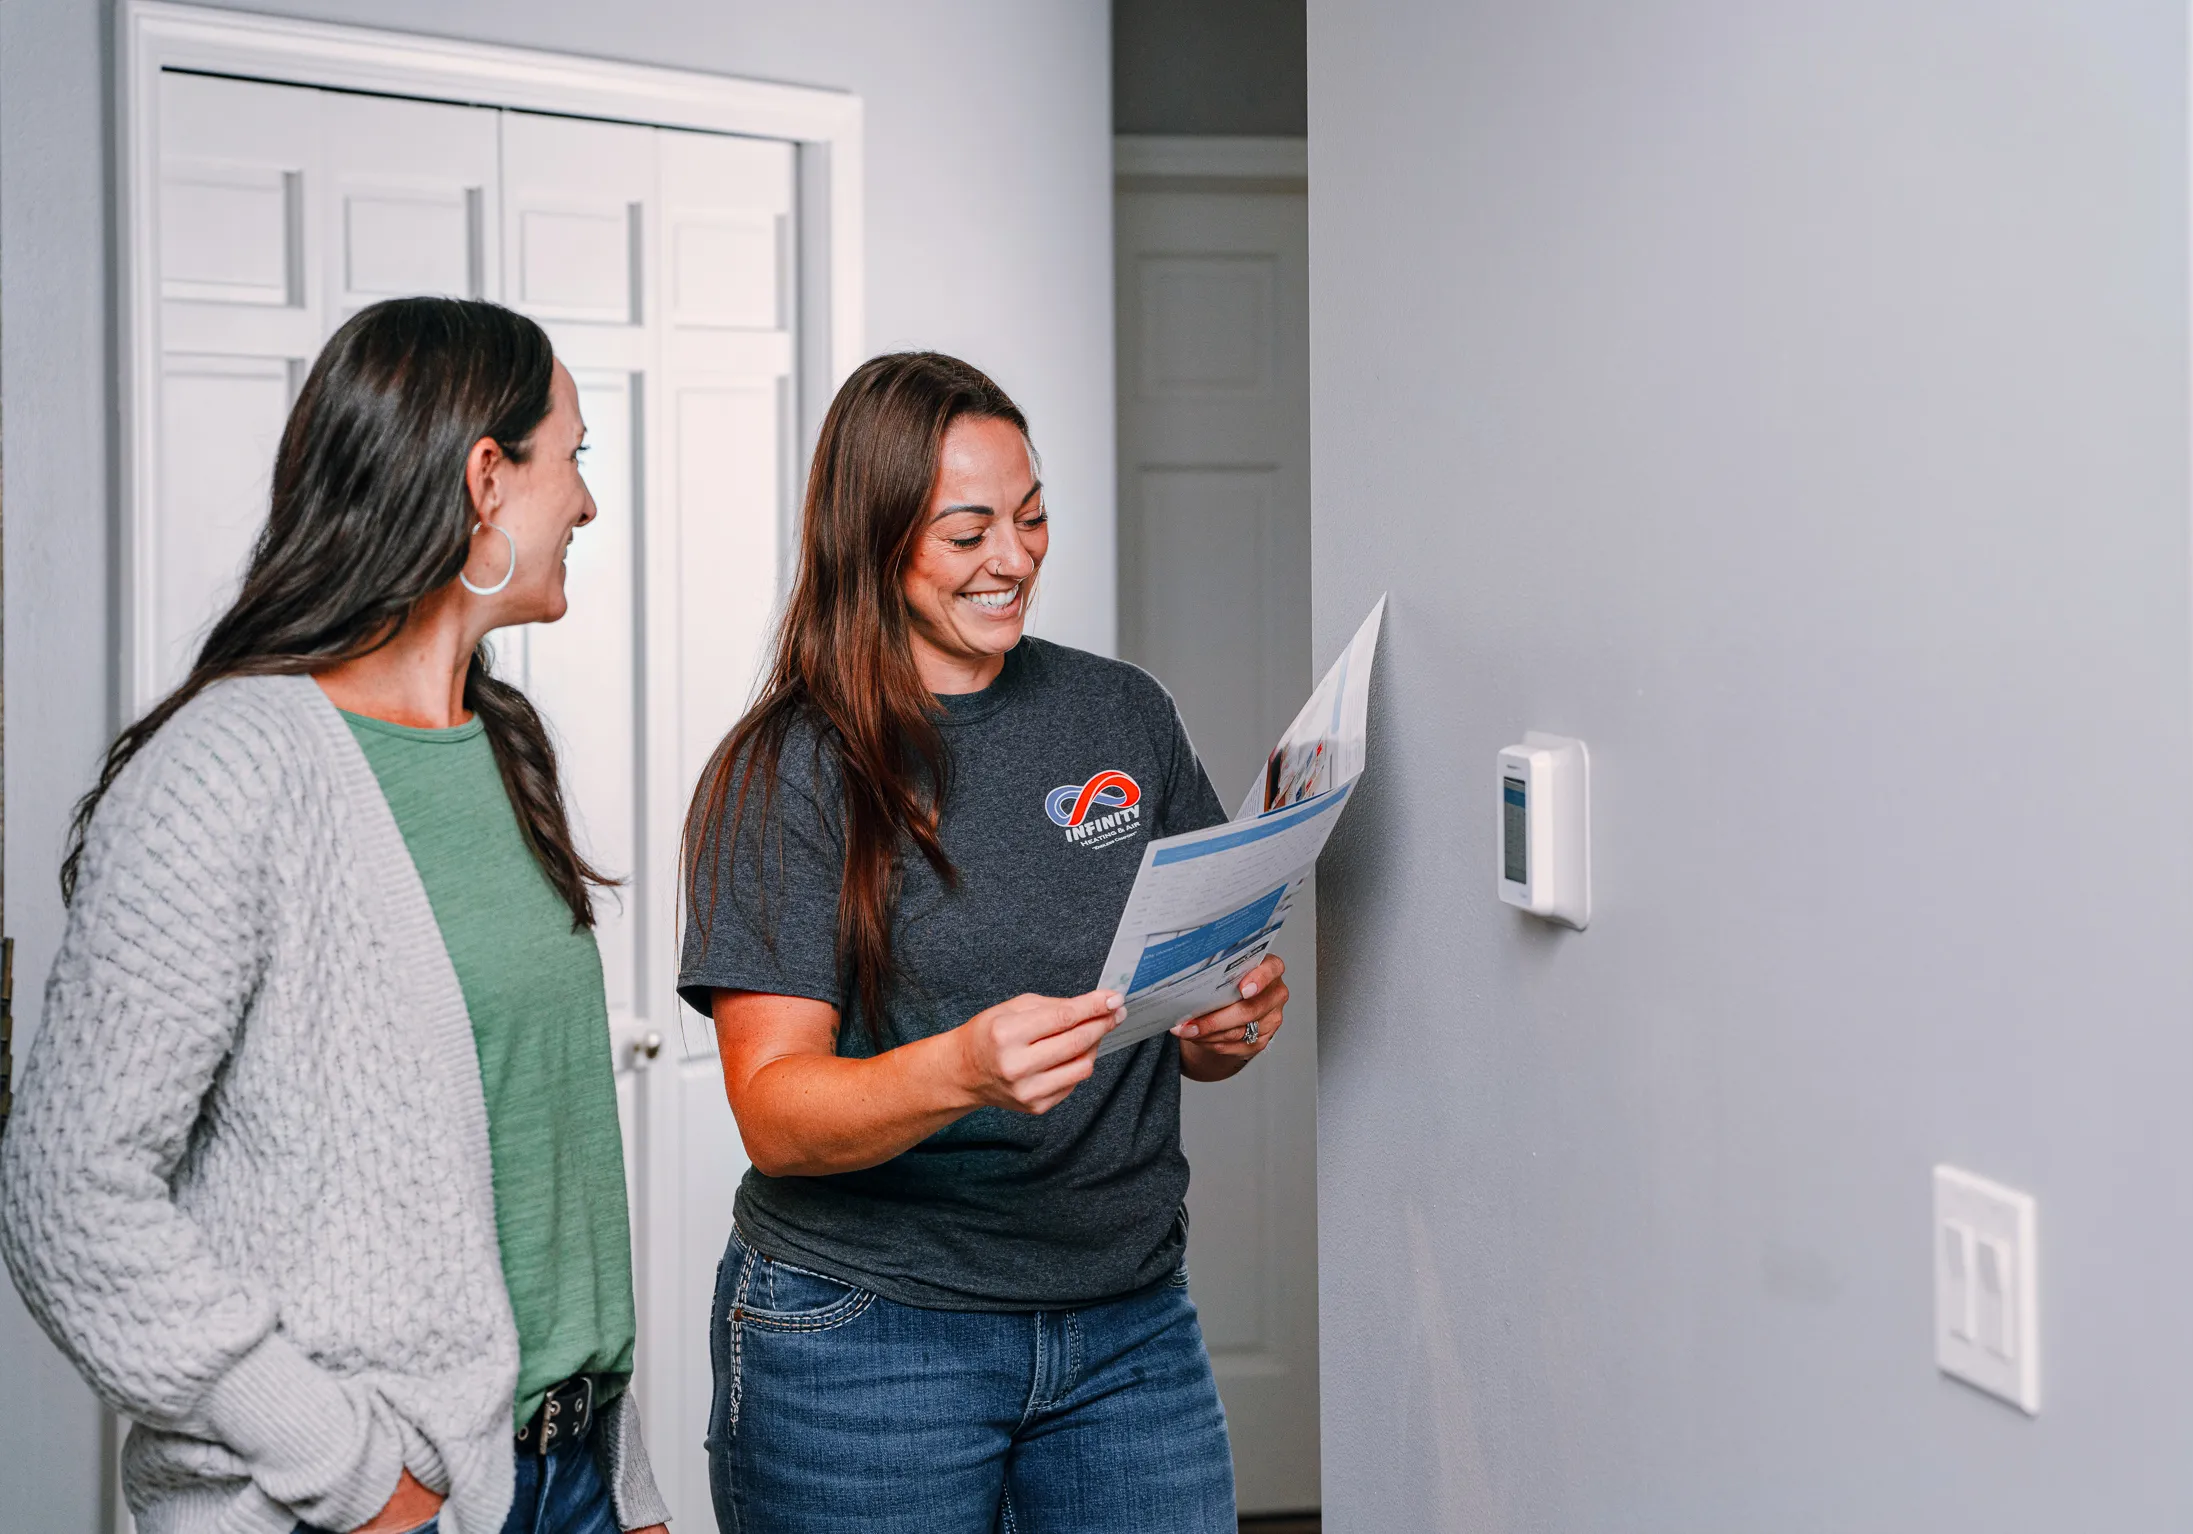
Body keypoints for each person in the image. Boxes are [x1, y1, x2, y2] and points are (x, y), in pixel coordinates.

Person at [0, 297, 670, 1534]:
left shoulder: (501, 748)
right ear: (486, 478)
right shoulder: (228, 771)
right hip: (363, 1499)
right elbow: (64, 1192)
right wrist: (358, 1475)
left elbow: (540, 1167)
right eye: (571, 456)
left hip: (566, 1475)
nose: (585, 501)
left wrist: (623, 1487)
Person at [679, 351, 1290, 1534]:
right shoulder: (785, 769)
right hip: (865, 1338)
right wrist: (962, 1069)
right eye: (967, 534)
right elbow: (776, 1109)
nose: (1013, 558)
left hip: (1127, 1325)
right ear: (876, 539)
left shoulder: (1121, 713)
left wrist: (1231, 1018)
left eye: (1031, 517)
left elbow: (1192, 1011)